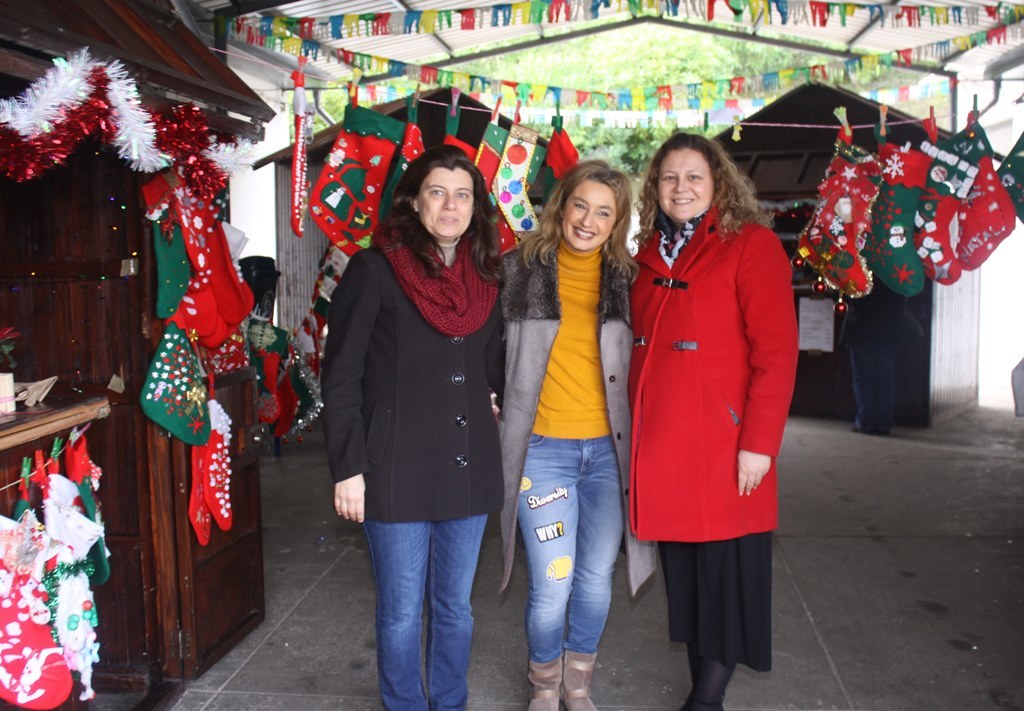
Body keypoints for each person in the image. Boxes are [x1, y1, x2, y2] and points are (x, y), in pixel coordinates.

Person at [321, 145, 505, 711]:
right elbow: (341, 375)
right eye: (437, 192)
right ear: (413, 201)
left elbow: (493, 366)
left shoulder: (487, 276)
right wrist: (348, 468)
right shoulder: (374, 269)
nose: (450, 206)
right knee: (401, 611)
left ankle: (449, 702)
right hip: (393, 468)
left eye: (462, 195)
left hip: (467, 463)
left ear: (475, 206)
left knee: (455, 608)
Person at [628, 133, 799, 711]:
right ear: (655, 187)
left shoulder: (750, 245)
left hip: (727, 448)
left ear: (718, 183)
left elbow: (776, 353)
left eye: (693, 177)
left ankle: (703, 703)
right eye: (669, 178)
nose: (681, 188)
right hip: (666, 449)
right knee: (689, 587)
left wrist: (759, 444)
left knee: (724, 584)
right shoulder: (649, 255)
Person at [499, 160, 657, 711]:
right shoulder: (517, 270)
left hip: (609, 455)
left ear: (617, 223)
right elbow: (480, 349)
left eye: (604, 213)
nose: (588, 221)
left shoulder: (630, 282)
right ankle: (544, 683)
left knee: (594, 578)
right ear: (561, 206)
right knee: (553, 580)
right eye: (581, 206)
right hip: (542, 453)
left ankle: (578, 683)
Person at [839, 281, 922, 435]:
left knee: (863, 379)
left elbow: (844, 293)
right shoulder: (894, 270)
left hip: (861, 327)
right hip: (889, 329)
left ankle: (865, 422)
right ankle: (884, 424)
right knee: (885, 379)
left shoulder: (861, 269)